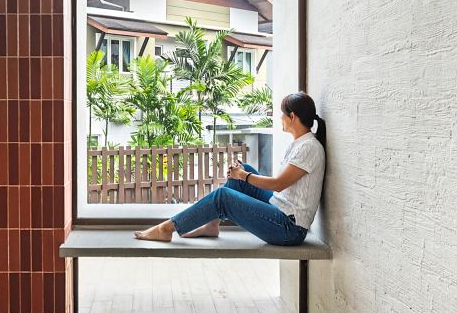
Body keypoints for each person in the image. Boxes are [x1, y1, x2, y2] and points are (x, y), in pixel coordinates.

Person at [134, 92, 326, 246]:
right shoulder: (301, 144)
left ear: (292, 117)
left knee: (223, 196)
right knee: (242, 174)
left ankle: (166, 229)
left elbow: (278, 184)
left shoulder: (309, 147)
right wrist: (242, 174)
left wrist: (243, 175)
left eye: (282, 113)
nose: (280, 117)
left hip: (289, 228)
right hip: (282, 209)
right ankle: (212, 225)